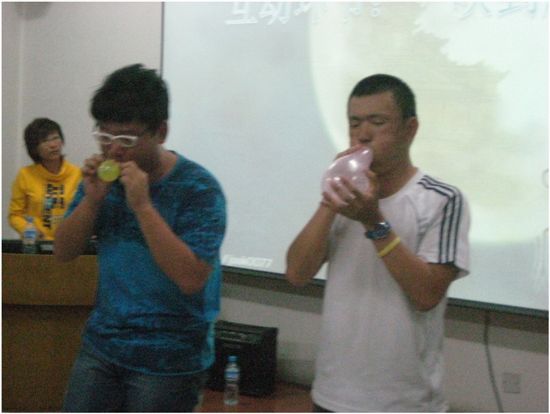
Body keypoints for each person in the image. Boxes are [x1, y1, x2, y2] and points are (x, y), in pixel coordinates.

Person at [286, 74, 470, 412]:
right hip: (331, 396)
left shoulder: (441, 199)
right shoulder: (344, 198)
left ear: (410, 129)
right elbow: (296, 274)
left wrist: (374, 222)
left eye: (377, 122)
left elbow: (427, 294)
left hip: (404, 402)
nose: (363, 134)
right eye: (354, 123)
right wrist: (329, 199)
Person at [54, 64, 226, 412]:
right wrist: (91, 201)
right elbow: (63, 251)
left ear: (160, 132)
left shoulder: (199, 188)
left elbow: (191, 277)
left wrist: (144, 206)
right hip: (102, 345)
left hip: (170, 359)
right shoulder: (103, 181)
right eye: (105, 136)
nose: (114, 150)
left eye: (127, 139)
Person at [8, 118, 81, 240]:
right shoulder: (25, 175)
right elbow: (15, 215)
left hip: (69, 243)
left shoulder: (77, 174)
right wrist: (29, 230)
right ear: (34, 148)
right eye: (44, 141)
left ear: (62, 141)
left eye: (55, 138)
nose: (53, 145)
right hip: (37, 244)